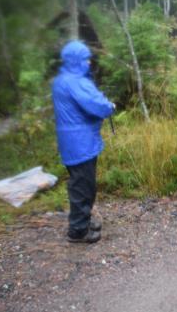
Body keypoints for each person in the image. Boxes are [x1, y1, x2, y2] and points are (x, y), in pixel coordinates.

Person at [52, 40, 115, 243]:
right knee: (82, 186)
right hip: (80, 143)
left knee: (83, 183)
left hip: (75, 142)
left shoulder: (63, 79)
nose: (88, 63)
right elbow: (96, 104)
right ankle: (78, 230)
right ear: (76, 60)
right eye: (85, 59)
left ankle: (83, 220)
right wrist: (109, 106)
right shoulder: (75, 81)